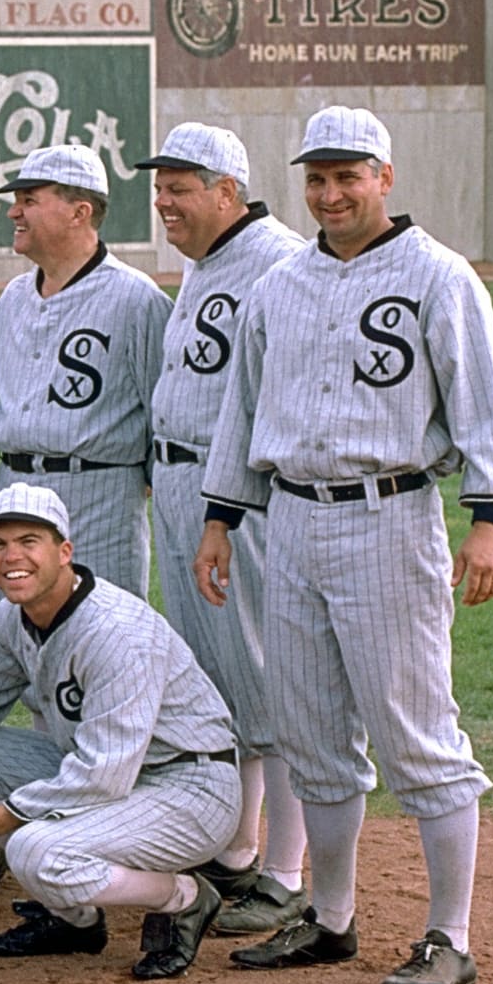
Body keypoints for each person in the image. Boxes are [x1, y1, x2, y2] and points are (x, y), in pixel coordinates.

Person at [196, 106, 493, 984]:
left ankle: (449, 937)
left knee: (417, 731)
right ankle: (332, 918)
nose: (332, 193)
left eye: (349, 175)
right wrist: (222, 516)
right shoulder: (281, 284)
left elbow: (485, 404)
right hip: (291, 521)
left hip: (391, 515)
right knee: (311, 730)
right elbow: (243, 410)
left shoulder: (438, 276)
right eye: (317, 177)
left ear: (385, 176)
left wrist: (490, 518)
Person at [0, 483, 242, 981]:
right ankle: (74, 921)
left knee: (36, 850)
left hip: (190, 791)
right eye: (0, 543)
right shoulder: (14, 619)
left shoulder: (117, 633)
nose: (13, 557)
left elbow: (103, 773)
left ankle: (185, 897)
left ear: (64, 552)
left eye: (29, 541)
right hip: (120, 778)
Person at [135, 123, 310, 934]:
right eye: (160, 184)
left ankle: (286, 869)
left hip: (234, 497)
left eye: (180, 186)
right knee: (221, 677)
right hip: (182, 483)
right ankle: (240, 849)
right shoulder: (207, 265)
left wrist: (228, 506)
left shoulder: (276, 260)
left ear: (227, 192)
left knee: (271, 679)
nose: (164, 199)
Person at [0, 144, 170, 597]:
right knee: (22, 643)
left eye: (30, 200)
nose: (14, 212)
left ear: (79, 212)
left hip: (99, 494)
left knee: (106, 639)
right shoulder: (12, 298)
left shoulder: (136, 299)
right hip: (16, 489)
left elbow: (162, 415)